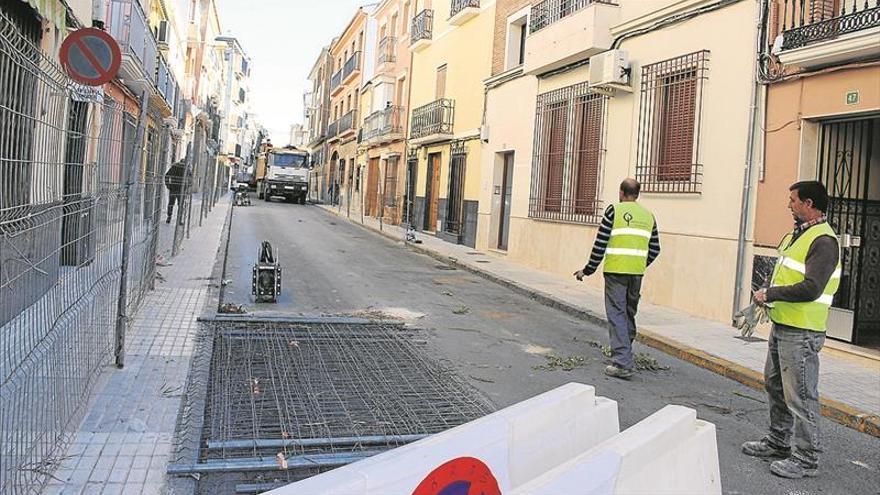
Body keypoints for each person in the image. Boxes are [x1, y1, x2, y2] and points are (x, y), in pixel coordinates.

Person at [742, 181, 840, 479]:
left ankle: (807, 459)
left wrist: (771, 294)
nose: (789, 205)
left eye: (793, 200)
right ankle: (778, 441)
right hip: (784, 324)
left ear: (808, 204)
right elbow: (785, 272)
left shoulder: (824, 241)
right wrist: (766, 292)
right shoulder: (801, 235)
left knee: (801, 396)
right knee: (774, 385)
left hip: (803, 331)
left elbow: (812, 288)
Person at [574, 178, 660, 379]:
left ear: (622, 192)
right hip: (636, 273)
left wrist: (586, 271)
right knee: (628, 314)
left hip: (615, 273)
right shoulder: (649, 216)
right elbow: (655, 249)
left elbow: (600, 244)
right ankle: (625, 354)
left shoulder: (614, 211)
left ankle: (622, 363)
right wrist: (638, 263)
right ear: (637, 194)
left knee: (617, 314)